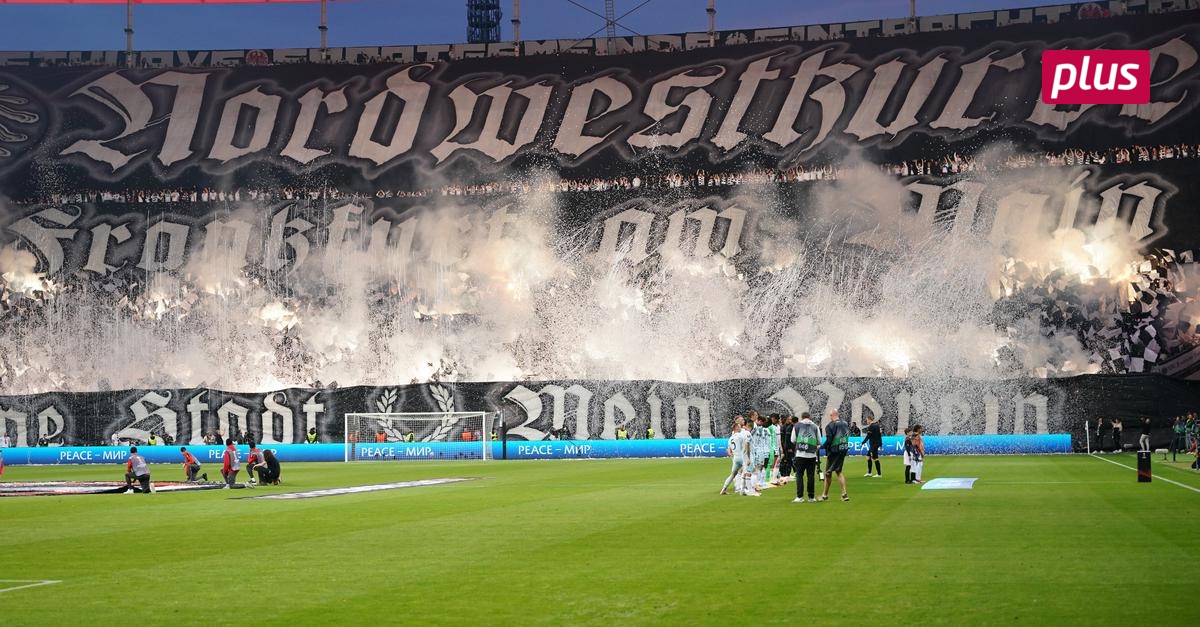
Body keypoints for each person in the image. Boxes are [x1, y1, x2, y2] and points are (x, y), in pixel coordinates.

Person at [819, 410, 850, 502]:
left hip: (834, 451)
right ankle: (843, 494)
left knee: (828, 473)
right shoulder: (845, 423)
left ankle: (825, 495)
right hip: (843, 449)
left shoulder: (830, 425)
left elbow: (829, 440)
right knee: (838, 471)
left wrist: (821, 447)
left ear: (831, 415)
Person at [792, 412, 820, 503]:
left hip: (800, 455)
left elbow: (792, 440)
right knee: (810, 476)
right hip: (811, 455)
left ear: (802, 417)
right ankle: (811, 497)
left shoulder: (797, 426)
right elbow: (819, 441)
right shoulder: (815, 426)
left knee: (799, 476)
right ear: (810, 417)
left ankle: (799, 497)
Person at [720, 416, 748, 495]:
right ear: (736, 428)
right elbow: (746, 444)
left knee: (733, 474)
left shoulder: (730, 438)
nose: (740, 428)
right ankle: (742, 490)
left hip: (735, 458)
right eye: (739, 427)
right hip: (742, 456)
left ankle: (723, 489)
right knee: (745, 472)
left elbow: (730, 449)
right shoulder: (741, 436)